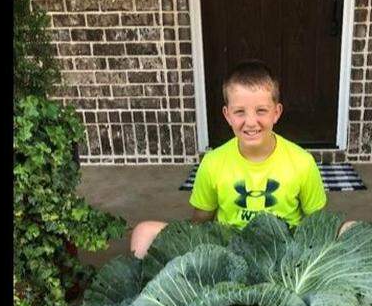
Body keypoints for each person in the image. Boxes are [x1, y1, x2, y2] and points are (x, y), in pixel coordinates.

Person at [129, 60, 354, 258]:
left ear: (276, 112)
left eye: (261, 111)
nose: (251, 122)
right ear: (227, 115)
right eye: (240, 112)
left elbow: (318, 226)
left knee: (351, 230)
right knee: (144, 233)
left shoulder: (302, 162)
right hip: (228, 255)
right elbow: (200, 224)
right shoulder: (213, 162)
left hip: (284, 257)